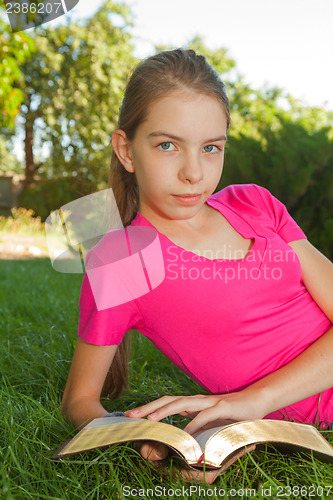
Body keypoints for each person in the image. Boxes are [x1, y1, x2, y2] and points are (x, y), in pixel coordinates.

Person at [61, 49, 333, 461]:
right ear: (127, 150)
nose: (194, 172)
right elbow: (79, 401)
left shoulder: (253, 203)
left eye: (210, 148)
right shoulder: (123, 260)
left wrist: (251, 402)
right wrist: (140, 439)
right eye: (168, 145)